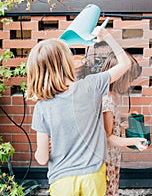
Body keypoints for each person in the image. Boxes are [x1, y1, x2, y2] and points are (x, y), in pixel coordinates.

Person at [27, 26, 132, 196]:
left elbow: (42, 158)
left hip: (62, 182)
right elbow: (125, 63)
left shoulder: (42, 107)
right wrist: (107, 36)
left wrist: (48, 147)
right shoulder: (92, 85)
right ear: (67, 62)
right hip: (93, 176)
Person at [101, 51, 148, 196]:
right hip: (106, 160)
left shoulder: (113, 95)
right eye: (129, 80)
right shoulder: (106, 101)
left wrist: (125, 117)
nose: (130, 84)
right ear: (119, 78)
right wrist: (132, 141)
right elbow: (108, 137)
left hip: (113, 156)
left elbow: (113, 119)